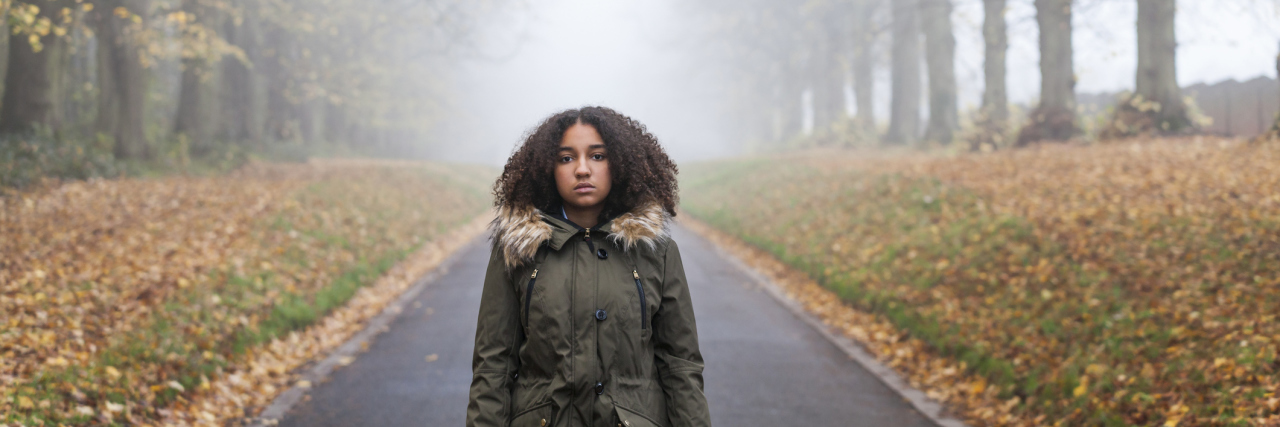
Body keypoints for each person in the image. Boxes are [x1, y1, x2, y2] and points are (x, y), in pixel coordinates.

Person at [468, 107, 710, 427]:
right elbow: (492, 367)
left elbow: (681, 366)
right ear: (547, 170)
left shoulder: (656, 253)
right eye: (566, 158)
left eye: (597, 156)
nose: (582, 169)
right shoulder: (517, 250)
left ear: (621, 164)